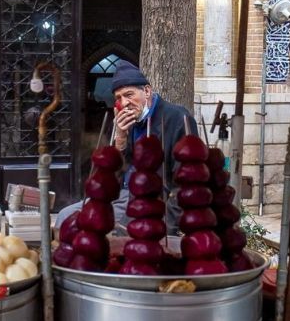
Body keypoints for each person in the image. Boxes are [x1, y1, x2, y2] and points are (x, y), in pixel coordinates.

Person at [55, 60, 197, 234]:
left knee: (117, 232)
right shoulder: (122, 123)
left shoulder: (175, 117)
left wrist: (169, 227)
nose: (125, 102)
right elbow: (109, 176)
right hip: (121, 194)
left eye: (129, 95)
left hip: (153, 198)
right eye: (118, 98)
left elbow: (185, 181)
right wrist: (120, 139)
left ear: (147, 91)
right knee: (64, 216)